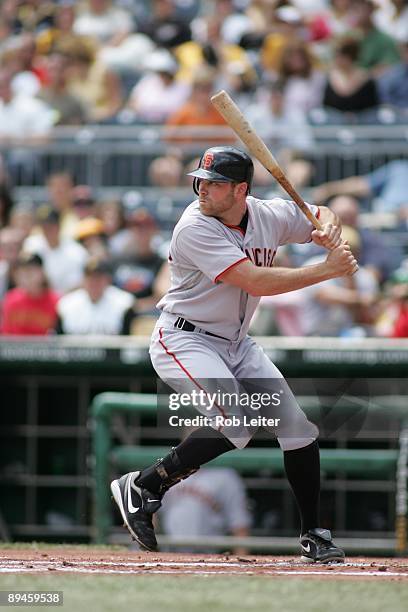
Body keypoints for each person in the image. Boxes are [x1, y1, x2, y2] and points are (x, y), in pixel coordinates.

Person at [110, 145, 358, 563]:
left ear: (241, 190)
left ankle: (313, 533)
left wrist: (328, 229)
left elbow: (324, 212)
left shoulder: (267, 214)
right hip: (186, 337)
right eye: (200, 180)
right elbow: (255, 280)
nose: (202, 189)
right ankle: (144, 485)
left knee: (299, 430)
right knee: (236, 425)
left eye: (214, 183)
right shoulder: (194, 226)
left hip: (237, 343)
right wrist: (326, 269)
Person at [56, 257, 136, 335]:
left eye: (98, 278)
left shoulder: (124, 304)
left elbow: (130, 340)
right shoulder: (66, 305)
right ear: (83, 280)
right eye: (90, 278)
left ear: (108, 279)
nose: (94, 283)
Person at [0, 252, 59, 335]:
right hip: (14, 347)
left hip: (44, 347)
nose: (26, 278)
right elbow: (5, 333)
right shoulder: (10, 298)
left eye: (30, 272)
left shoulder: (56, 301)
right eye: (22, 273)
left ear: (42, 273)